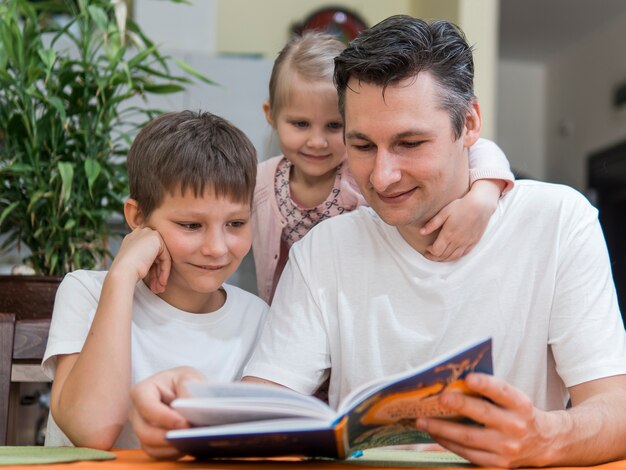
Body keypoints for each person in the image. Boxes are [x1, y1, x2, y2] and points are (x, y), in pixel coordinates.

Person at [129, 16, 626, 468]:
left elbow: (614, 407)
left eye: (410, 143)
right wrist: (195, 414)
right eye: (362, 146)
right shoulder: (323, 251)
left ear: (470, 123)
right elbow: (269, 401)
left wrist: (544, 437)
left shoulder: (559, 221)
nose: (383, 177)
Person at [41, 111, 268, 450]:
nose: (217, 248)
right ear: (137, 218)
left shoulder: (257, 317)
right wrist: (120, 277)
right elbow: (90, 432)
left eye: (235, 223)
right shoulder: (85, 291)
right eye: (191, 225)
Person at [253, 31, 514, 303]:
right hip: (283, 313)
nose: (317, 142)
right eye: (300, 124)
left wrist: (483, 196)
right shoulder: (261, 180)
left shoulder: (359, 169)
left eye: (334, 126)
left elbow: (478, 147)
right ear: (271, 115)